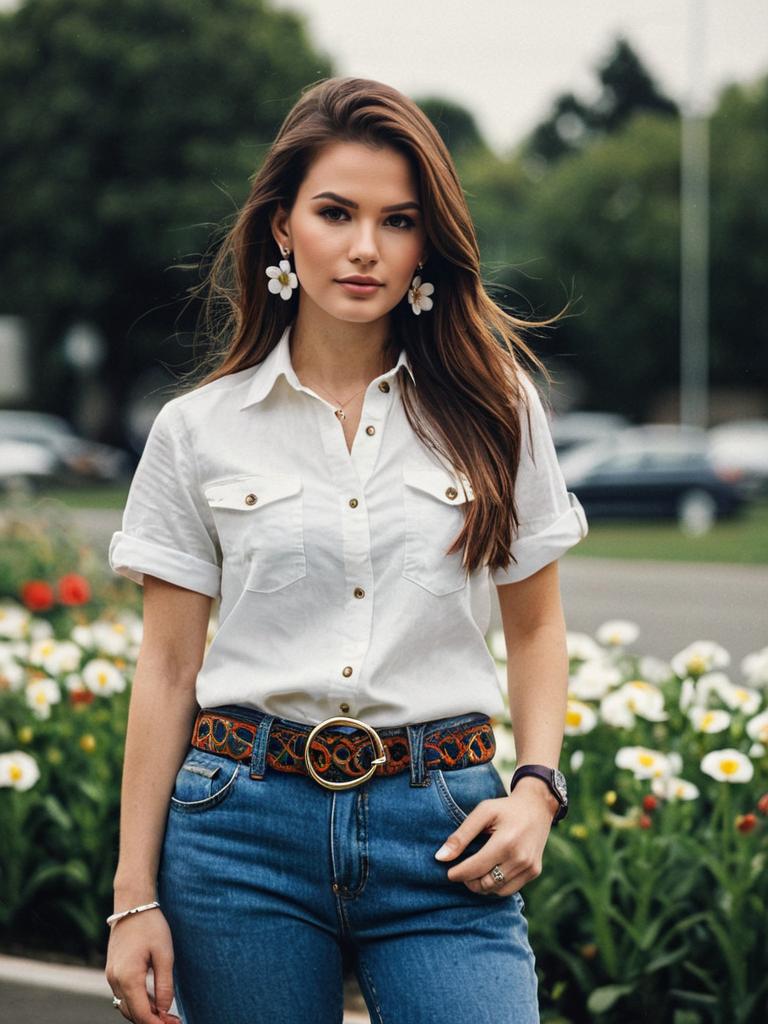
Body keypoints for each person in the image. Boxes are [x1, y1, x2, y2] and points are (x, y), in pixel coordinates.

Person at [104, 76, 588, 1024]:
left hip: (445, 834)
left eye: (398, 221)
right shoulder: (197, 430)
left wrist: (537, 789)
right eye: (336, 213)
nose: (366, 248)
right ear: (283, 225)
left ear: (427, 243)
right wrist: (133, 898)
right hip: (239, 836)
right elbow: (165, 668)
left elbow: (536, 632)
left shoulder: (497, 410)